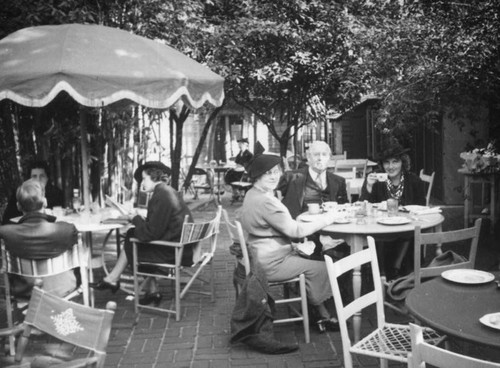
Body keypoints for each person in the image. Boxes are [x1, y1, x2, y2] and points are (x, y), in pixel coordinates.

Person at [239, 154, 340, 331]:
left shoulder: (251, 194)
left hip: (261, 253)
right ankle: (321, 312)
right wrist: (329, 218)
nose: (273, 176)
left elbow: (272, 229)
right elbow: (296, 231)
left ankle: (315, 307)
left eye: (276, 171)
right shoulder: (265, 201)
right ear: (257, 176)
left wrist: (293, 246)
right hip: (271, 263)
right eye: (267, 173)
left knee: (313, 255)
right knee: (323, 267)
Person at [90, 161, 196, 306]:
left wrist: (135, 218)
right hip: (181, 246)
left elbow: (150, 234)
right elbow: (160, 223)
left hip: (175, 251)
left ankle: (113, 279)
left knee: (132, 243)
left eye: (144, 179)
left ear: (154, 177)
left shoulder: (161, 195)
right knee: (132, 235)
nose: (141, 183)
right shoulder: (166, 191)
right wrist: (141, 219)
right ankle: (152, 291)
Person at [0, 179, 77, 297]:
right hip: (63, 291)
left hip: (26, 292)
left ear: (18, 206)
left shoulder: (6, 233)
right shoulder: (67, 230)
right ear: (45, 202)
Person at [360, 142, 426, 279]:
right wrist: (369, 186)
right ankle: (385, 274)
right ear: (382, 165)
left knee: (408, 236)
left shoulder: (413, 180)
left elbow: (421, 206)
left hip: (407, 227)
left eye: (395, 162)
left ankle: (397, 273)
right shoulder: (377, 181)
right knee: (382, 239)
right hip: (381, 228)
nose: (391, 167)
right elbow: (363, 205)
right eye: (387, 163)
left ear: (403, 162)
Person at [276, 141, 349, 259]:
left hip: (331, 231)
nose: (320, 158)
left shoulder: (338, 181)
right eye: (316, 154)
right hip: (302, 233)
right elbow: (271, 197)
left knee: (343, 252)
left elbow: (345, 208)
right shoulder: (292, 177)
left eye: (324, 154)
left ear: (329, 158)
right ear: (308, 157)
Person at [2, 160, 64, 224]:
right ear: (29, 179)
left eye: (42, 176)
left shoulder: (56, 193)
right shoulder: (19, 194)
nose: (38, 179)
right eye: (34, 176)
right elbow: (6, 221)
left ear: (47, 178)